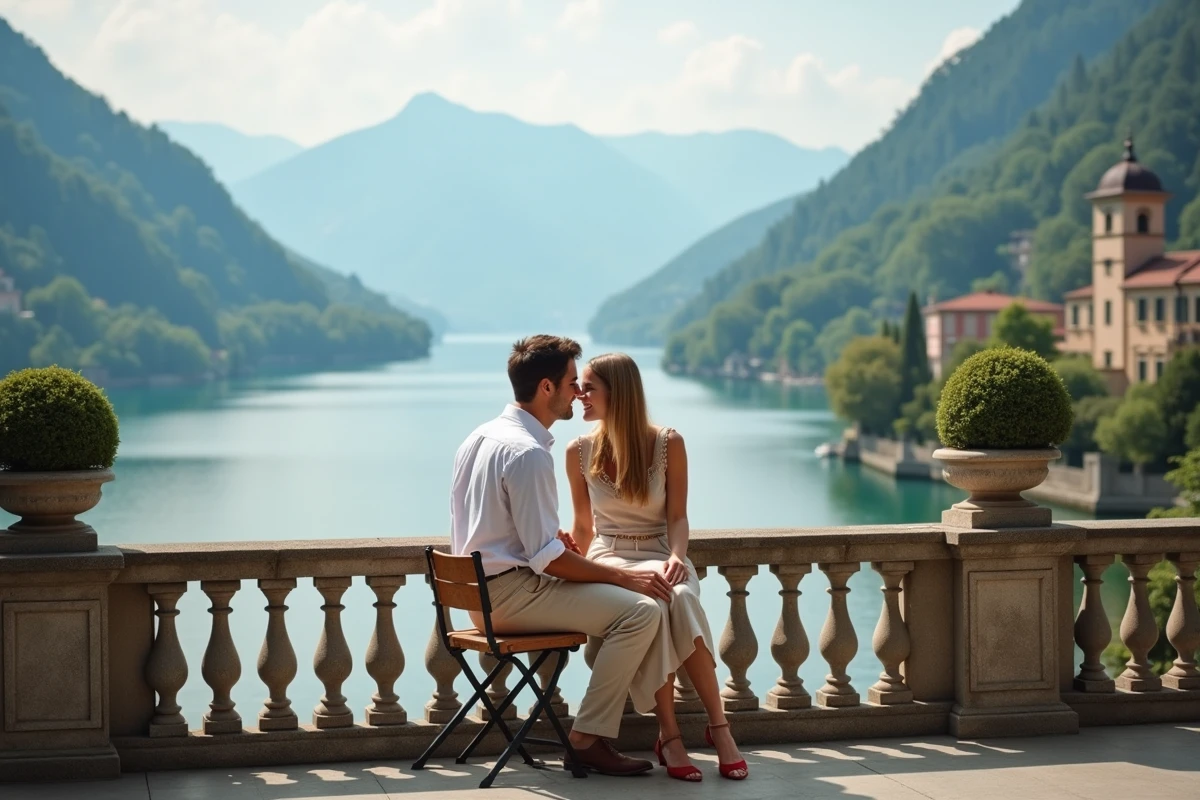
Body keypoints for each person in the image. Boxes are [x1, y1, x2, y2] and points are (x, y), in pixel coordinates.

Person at [449, 335, 676, 777]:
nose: (579, 391)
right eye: (573, 381)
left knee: (627, 601)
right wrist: (624, 577)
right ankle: (587, 738)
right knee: (641, 613)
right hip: (510, 597)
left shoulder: (480, 437)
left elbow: (487, 524)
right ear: (547, 388)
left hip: (477, 597)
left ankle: (590, 735)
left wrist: (547, 541)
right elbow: (549, 561)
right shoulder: (528, 452)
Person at [566, 352, 748, 782]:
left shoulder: (670, 442)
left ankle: (719, 728)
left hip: (664, 550)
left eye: (589, 387)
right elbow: (582, 526)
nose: (579, 395)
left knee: (680, 596)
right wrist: (565, 560)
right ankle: (670, 735)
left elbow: (678, 517)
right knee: (655, 604)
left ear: (619, 392)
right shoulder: (578, 451)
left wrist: (675, 557)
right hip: (610, 555)